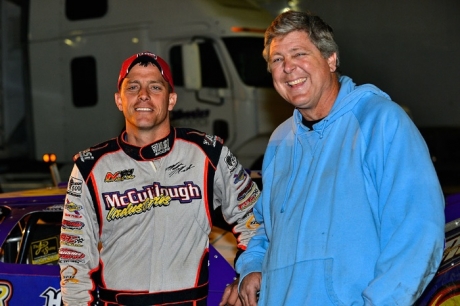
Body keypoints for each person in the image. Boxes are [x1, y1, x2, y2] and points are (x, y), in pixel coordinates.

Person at [220, 10, 445, 306]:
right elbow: (267, 227)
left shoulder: (379, 122)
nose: (288, 68)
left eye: (299, 54)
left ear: (331, 59)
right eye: (277, 60)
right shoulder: (279, 141)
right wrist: (253, 267)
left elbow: (418, 231)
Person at [59, 51, 260, 305]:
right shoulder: (90, 167)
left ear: (171, 99)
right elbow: (74, 257)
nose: (143, 94)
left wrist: (248, 272)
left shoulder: (208, 153)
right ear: (119, 100)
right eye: (133, 86)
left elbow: (255, 218)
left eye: (155, 86)